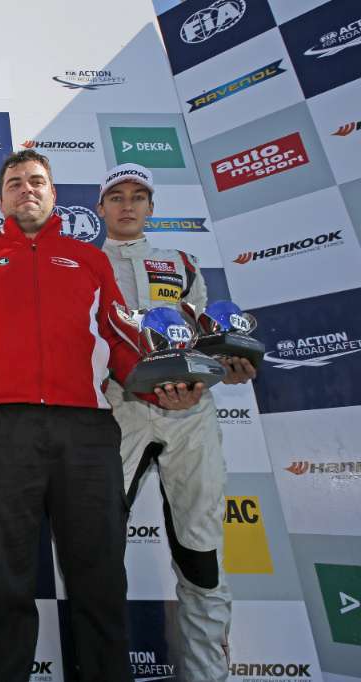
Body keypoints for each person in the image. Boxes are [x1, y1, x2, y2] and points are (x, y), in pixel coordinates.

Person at [0, 149, 202, 682]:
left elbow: (119, 339)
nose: (27, 190)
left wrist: (164, 389)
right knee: (4, 579)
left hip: (86, 429)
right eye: (15, 183)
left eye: (37, 181)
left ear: (54, 194)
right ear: (1, 198)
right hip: (1, 427)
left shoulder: (90, 259)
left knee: (100, 580)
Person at [97, 163, 255, 682]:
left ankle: (207, 675)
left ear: (150, 207)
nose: (126, 205)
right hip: (118, 411)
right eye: (116, 197)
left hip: (190, 414)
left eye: (137, 197)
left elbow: (208, 337)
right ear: (100, 209)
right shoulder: (82, 264)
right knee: (96, 555)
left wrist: (227, 365)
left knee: (200, 555)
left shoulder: (182, 261)